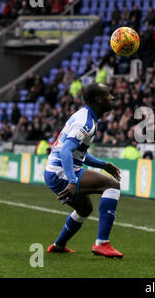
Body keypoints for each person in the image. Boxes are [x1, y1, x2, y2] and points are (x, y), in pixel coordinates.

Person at [43, 83, 123, 258]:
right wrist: (72, 181)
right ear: (99, 100)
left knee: (85, 209)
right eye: (108, 94)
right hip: (61, 171)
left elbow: (77, 152)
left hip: (54, 170)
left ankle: (58, 245)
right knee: (112, 185)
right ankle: (102, 243)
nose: (112, 97)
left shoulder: (85, 116)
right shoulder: (86, 123)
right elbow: (65, 151)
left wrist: (102, 164)